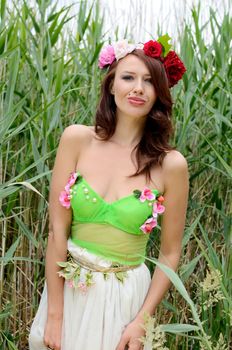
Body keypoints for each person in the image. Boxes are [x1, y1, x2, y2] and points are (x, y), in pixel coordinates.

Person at [29, 36, 189, 350]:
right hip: (71, 289)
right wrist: (56, 314)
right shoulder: (76, 139)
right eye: (128, 77)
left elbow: (169, 253)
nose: (138, 88)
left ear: (159, 93)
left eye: (148, 81)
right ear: (111, 85)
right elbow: (56, 230)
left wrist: (142, 320)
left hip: (126, 298)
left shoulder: (171, 165)